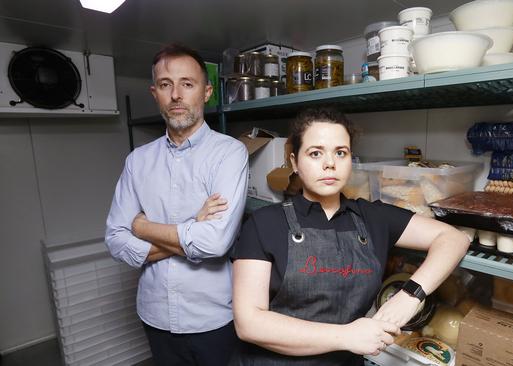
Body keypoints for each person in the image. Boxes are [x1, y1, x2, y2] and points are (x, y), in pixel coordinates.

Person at [230, 108, 470, 365]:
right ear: (295, 163)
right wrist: (345, 336)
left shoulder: (373, 217)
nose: (330, 163)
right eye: (315, 153)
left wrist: (410, 296)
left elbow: (454, 239)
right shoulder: (265, 223)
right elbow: (249, 323)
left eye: (340, 152)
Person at [105, 43, 248, 365]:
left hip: (212, 317)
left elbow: (215, 242)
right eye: (166, 85)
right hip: (154, 314)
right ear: (154, 93)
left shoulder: (229, 152)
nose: (176, 95)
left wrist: (142, 227)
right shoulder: (137, 161)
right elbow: (115, 239)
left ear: (206, 91)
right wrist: (193, 226)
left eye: (187, 83)